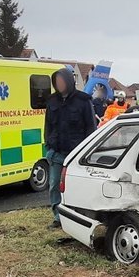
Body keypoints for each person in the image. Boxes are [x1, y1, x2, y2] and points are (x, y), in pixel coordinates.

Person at [44, 67, 96, 227]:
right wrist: (48, 146)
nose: (59, 84)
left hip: (76, 155)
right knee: (54, 185)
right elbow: (47, 126)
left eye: (61, 81)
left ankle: (77, 217)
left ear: (68, 81)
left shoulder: (83, 101)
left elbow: (91, 128)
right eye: (56, 81)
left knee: (75, 188)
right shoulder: (52, 101)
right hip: (57, 152)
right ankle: (58, 218)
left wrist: (87, 153)